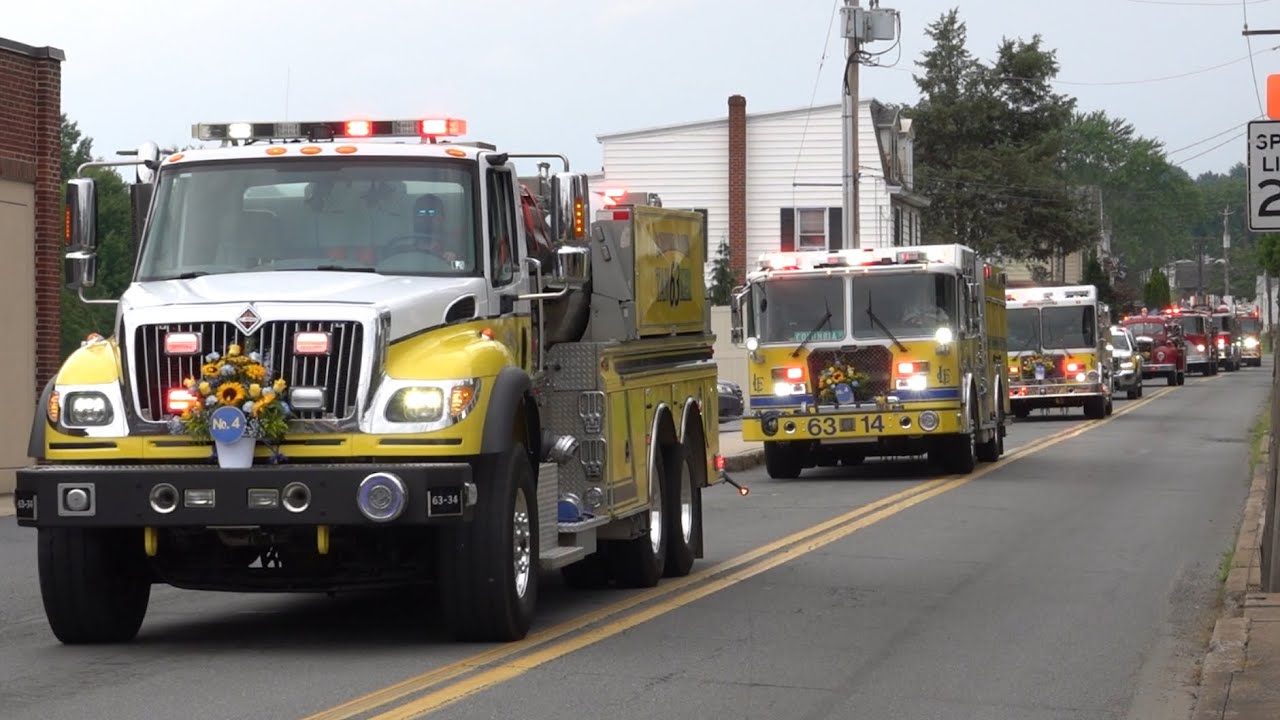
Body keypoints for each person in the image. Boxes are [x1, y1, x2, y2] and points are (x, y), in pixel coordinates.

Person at [410, 194, 458, 263]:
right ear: (414, 218)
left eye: (432, 213)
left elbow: (462, 268)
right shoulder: (401, 253)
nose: (427, 218)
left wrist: (452, 262)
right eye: (421, 213)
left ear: (442, 218)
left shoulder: (453, 254)